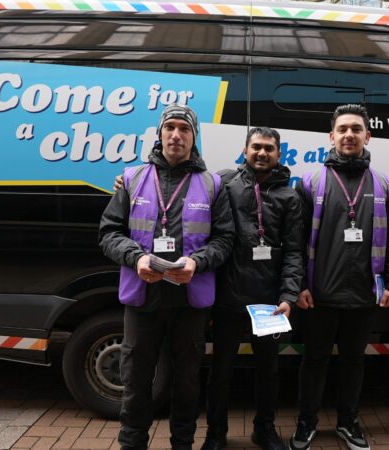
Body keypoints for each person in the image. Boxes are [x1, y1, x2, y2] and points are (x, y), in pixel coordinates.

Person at [99, 104, 235, 450]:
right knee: (135, 380)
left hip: (189, 301)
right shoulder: (131, 179)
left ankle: (182, 444)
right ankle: (132, 444)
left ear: (193, 137)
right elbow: (109, 233)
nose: (176, 134)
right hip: (143, 298)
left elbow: (225, 239)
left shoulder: (212, 184)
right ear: (159, 134)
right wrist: (137, 257)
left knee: (187, 382)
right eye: (170, 127)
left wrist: (198, 262)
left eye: (184, 129)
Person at [291, 104, 389, 450]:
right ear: (331, 136)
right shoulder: (311, 182)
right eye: (342, 129)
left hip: (365, 295)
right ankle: (306, 423)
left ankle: (348, 422)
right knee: (314, 361)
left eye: (356, 129)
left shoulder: (385, 184)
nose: (349, 134)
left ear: (367, 136)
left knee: (354, 363)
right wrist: (299, 285)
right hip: (320, 295)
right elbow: (294, 241)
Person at [201, 127, 305, 450]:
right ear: (245, 150)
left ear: (279, 153)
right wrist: (122, 183)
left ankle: (265, 429)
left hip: (269, 305)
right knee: (220, 372)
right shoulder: (224, 183)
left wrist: (288, 296)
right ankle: (216, 434)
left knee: (269, 373)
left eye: (269, 149)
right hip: (229, 300)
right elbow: (189, 191)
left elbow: (293, 252)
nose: (262, 153)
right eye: (256, 147)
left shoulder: (290, 197)